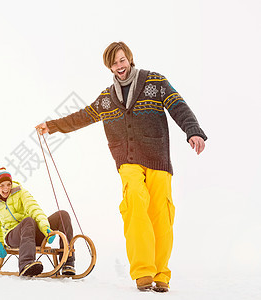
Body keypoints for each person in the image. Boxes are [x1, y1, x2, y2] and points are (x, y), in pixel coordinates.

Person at [35, 41, 207, 292]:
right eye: (114, 63)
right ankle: (143, 272)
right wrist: (52, 126)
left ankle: (161, 274)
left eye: (122, 60)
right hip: (128, 161)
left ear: (130, 59)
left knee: (161, 215)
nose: (119, 66)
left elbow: (178, 106)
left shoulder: (155, 82)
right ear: (110, 67)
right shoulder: (107, 99)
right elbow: (83, 116)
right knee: (135, 203)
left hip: (158, 158)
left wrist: (193, 131)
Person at [0, 167, 75, 277]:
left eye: (8, 184)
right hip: (13, 236)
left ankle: (68, 262)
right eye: (2, 186)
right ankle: (26, 263)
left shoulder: (20, 192)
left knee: (63, 215)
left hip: (31, 231)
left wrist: (44, 227)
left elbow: (34, 208)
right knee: (28, 221)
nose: (6, 188)